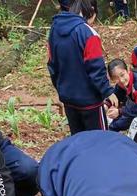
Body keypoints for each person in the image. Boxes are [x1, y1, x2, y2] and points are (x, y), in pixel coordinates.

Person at [47, 0, 118, 135]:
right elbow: (96, 68)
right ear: (90, 11)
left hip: (68, 99)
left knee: (79, 140)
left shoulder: (54, 30)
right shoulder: (87, 33)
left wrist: (62, 88)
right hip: (90, 102)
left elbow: (52, 65)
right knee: (99, 140)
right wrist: (107, 91)